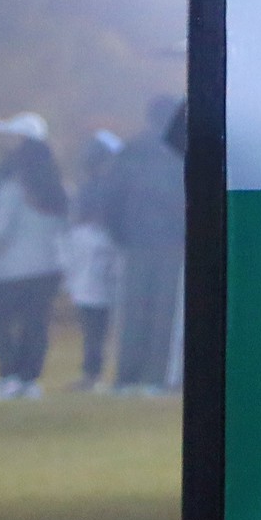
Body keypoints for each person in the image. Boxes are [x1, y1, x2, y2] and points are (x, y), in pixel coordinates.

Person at [109, 95, 184, 394]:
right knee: (165, 312)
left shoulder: (131, 150)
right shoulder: (182, 148)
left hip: (136, 241)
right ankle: (156, 376)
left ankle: (127, 376)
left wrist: (120, 235)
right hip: (173, 243)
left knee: (133, 311)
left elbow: (113, 196)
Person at [0, 112, 68, 398]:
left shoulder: (14, 183)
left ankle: (10, 375)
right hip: (47, 266)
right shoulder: (54, 184)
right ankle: (29, 379)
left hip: (9, 269)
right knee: (35, 325)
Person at [61, 129, 124, 390]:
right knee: (97, 317)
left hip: (94, 253)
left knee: (94, 317)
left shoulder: (96, 187)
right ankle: (93, 371)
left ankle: (93, 372)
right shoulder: (105, 186)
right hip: (99, 252)